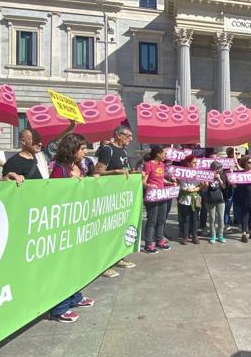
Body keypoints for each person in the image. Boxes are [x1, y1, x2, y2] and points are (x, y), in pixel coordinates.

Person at [48, 133, 95, 323]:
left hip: (78, 220)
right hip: (63, 224)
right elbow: (54, 194)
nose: (85, 152)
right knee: (64, 264)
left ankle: (75, 297)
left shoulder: (79, 167)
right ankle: (60, 308)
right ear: (72, 149)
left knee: (76, 262)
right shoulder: (60, 169)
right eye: (82, 148)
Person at [94, 124, 135, 276]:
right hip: (108, 197)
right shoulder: (108, 149)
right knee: (107, 231)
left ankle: (118, 258)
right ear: (119, 135)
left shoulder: (123, 151)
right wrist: (115, 172)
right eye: (128, 136)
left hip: (121, 197)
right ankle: (104, 265)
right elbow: (98, 171)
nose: (131, 139)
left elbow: (126, 169)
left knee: (118, 229)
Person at [142, 145, 174, 253]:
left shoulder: (162, 165)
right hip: (152, 197)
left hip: (162, 195)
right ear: (158, 154)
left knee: (161, 219)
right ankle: (148, 244)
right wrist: (149, 186)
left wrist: (169, 183)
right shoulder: (148, 165)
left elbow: (161, 179)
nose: (166, 155)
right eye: (164, 153)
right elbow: (143, 182)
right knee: (152, 220)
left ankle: (159, 241)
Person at [177, 155, 204, 245]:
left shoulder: (199, 172)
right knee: (186, 218)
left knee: (196, 218)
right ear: (188, 163)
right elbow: (181, 185)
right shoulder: (182, 172)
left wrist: (195, 189)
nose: (196, 164)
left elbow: (201, 185)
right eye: (194, 162)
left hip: (196, 197)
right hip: (185, 197)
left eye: (196, 162)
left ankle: (195, 235)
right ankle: (185, 236)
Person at [203, 160, 227, 244]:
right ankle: (213, 235)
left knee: (221, 218)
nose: (218, 170)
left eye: (219, 168)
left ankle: (220, 235)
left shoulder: (221, 175)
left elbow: (224, 187)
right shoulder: (207, 176)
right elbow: (205, 189)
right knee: (212, 218)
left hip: (220, 200)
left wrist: (219, 179)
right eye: (217, 168)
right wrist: (206, 184)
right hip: (210, 199)